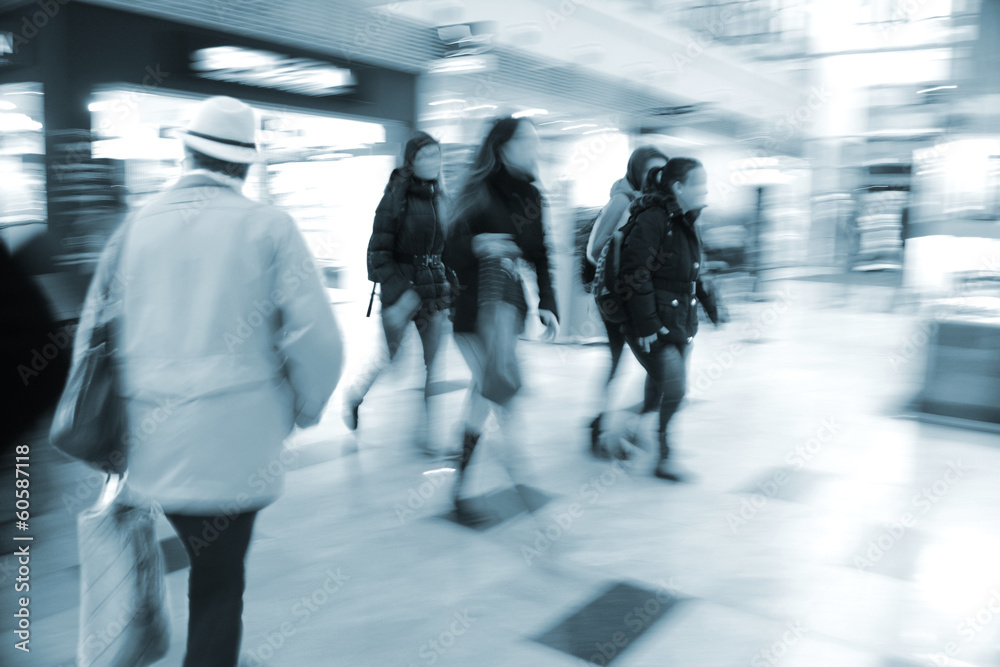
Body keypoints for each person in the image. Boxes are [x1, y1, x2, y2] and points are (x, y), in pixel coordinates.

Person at [88, 95, 343, 666]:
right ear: (247, 164)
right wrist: (303, 408)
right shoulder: (269, 227)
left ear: (184, 152)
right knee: (221, 582)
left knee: (205, 566)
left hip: (154, 441)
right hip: (237, 446)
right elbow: (319, 340)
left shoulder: (136, 226)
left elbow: (96, 334)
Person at [444, 116, 559, 511]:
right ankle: (517, 472)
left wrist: (548, 304)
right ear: (503, 146)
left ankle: (462, 486)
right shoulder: (476, 191)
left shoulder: (531, 196)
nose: (535, 146)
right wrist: (477, 244)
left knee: (485, 394)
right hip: (471, 311)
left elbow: (541, 255)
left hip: (507, 312)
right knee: (499, 392)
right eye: (527, 139)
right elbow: (447, 253)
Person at [619, 157, 725, 482]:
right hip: (652, 324)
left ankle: (632, 428)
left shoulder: (689, 220)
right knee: (676, 388)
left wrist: (710, 307)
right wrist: (649, 325)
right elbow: (635, 274)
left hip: (681, 320)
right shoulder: (653, 218)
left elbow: (693, 272)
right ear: (679, 187)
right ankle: (664, 456)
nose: (706, 189)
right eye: (699, 183)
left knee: (661, 386)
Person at [345, 132, 451, 455]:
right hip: (401, 292)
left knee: (434, 367)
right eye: (425, 156)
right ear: (411, 161)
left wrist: (452, 287)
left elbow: (448, 251)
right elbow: (377, 255)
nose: (433, 162)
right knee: (391, 359)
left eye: (437, 155)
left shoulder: (441, 198)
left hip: (434, 293)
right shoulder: (395, 196)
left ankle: (429, 437)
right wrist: (402, 292)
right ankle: (355, 395)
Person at [584, 145, 668, 459]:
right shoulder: (622, 200)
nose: (656, 177)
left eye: (662, 171)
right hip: (618, 298)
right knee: (620, 362)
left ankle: (620, 425)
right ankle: (603, 428)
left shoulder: (660, 204)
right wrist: (628, 244)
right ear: (636, 172)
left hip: (644, 298)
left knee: (655, 363)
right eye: (651, 171)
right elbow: (594, 250)